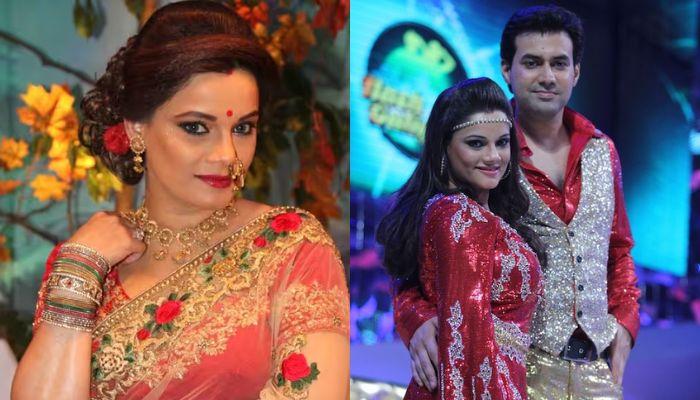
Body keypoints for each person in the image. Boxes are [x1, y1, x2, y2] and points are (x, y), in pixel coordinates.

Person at [11, 2, 349, 399]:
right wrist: (79, 268)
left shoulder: (291, 247)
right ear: (136, 128)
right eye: (196, 127)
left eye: (243, 128)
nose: (227, 155)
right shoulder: (88, 262)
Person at [394, 5, 640, 399]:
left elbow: (618, 250)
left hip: (596, 372)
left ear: (576, 72)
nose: (547, 76)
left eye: (559, 63)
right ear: (507, 69)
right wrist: (416, 317)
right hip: (516, 371)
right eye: (532, 63)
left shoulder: (602, 151)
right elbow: (416, 256)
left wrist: (626, 324)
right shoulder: (482, 152)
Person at [377, 77, 545, 399]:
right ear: (444, 147)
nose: (494, 156)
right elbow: (465, 340)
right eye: (476, 144)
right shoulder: (459, 216)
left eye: (502, 142)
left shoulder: (485, 215)